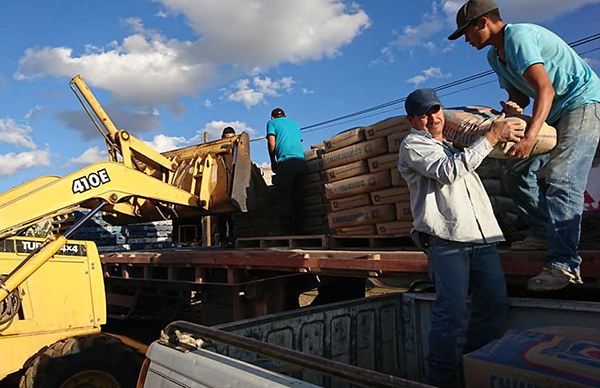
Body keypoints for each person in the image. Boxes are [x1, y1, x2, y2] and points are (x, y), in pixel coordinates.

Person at [448, 0, 600, 291]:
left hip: (582, 104)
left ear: (482, 23)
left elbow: (545, 88)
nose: (466, 39)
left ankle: (564, 266)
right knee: (516, 173)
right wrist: (513, 107)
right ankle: (543, 232)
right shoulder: (495, 56)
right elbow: (523, 94)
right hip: (553, 112)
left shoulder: (518, 37)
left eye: (466, 32)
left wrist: (531, 137)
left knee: (561, 176)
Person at [398, 88, 522, 387]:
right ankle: (442, 380)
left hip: (483, 239)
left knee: (493, 305)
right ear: (412, 119)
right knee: (450, 315)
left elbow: (481, 148)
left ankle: (472, 366)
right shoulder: (413, 146)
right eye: (424, 114)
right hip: (447, 241)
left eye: (435, 110)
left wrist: (509, 119)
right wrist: (491, 136)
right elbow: (449, 172)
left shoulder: (455, 145)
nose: (432, 118)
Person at [266, 108, 306, 235]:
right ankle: (300, 230)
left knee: (283, 196)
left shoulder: (271, 123)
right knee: (299, 197)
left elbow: (271, 144)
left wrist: (273, 161)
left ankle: (287, 232)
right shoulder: (295, 124)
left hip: (286, 162)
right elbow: (300, 142)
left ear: (272, 117)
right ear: (285, 116)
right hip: (301, 162)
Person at [217, 126, 236, 246]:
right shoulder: (219, 152)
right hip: (221, 188)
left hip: (233, 187)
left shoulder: (237, 151)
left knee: (233, 217)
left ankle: (233, 238)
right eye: (227, 138)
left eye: (232, 138)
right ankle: (223, 240)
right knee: (222, 216)